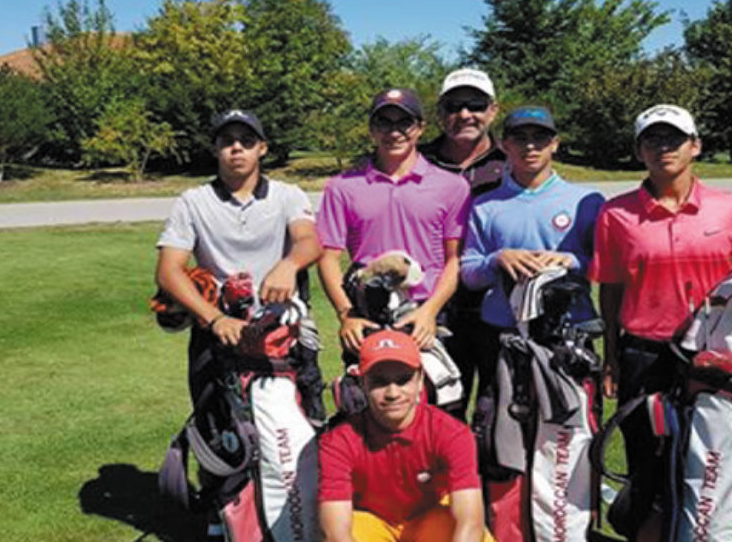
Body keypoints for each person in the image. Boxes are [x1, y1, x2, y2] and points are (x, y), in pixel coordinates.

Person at [590, 104, 732, 541]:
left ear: (695, 146)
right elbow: (611, 288)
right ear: (639, 150)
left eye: (673, 138)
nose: (663, 148)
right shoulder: (616, 214)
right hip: (643, 355)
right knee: (647, 467)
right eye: (652, 139)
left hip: (710, 360)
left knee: (709, 467)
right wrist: (613, 356)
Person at [155, 109, 324, 540]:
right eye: (227, 140)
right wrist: (213, 317)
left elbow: (310, 240)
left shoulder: (287, 194)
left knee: (295, 425)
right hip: (218, 333)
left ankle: (298, 515)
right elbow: (169, 270)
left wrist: (288, 265)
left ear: (262, 148)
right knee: (218, 429)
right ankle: (224, 518)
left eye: (246, 140)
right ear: (215, 148)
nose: (236, 148)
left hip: (280, 336)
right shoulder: (193, 201)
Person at [317, 89, 471, 355]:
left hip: (425, 314)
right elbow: (328, 258)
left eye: (404, 122)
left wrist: (430, 311)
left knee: (432, 396)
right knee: (369, 396)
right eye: (384, 122)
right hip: (366, 313)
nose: (394, 132)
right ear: (371, 130)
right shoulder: (341, 187)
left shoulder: (452, 186)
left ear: (420, 128)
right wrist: (347, 314)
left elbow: (453, 260)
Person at [318, 330, 494, 542]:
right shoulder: (337, 442)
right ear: (363, 383)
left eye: (403, 380)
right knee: (354, 526)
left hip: (430, 523)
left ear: (420, 380)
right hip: (374, 525)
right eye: (379, 382)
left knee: (468, 532)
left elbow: (470, 521)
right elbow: (336, 533)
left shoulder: (452, 433)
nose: (393, 393)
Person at [460, 105, 603, 334]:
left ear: (555, 143)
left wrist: (569, 261)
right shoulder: (485, 205)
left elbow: (607, 269)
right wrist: (497, 259)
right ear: (505, 145)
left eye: (540, 138)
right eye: (520, 138)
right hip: (504, 328)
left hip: (570, 325)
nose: (530, 146)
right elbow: (469, 274)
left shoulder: (587, 202)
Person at [419, 67, 507, 420]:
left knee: (495, 415)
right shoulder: (417, 160)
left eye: (475, 104)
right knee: (439, 412)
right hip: (432, 309)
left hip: (497, 309)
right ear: (440, 113)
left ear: (493, 110)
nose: (465, 114)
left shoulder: (513, 162)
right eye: (454, 106)